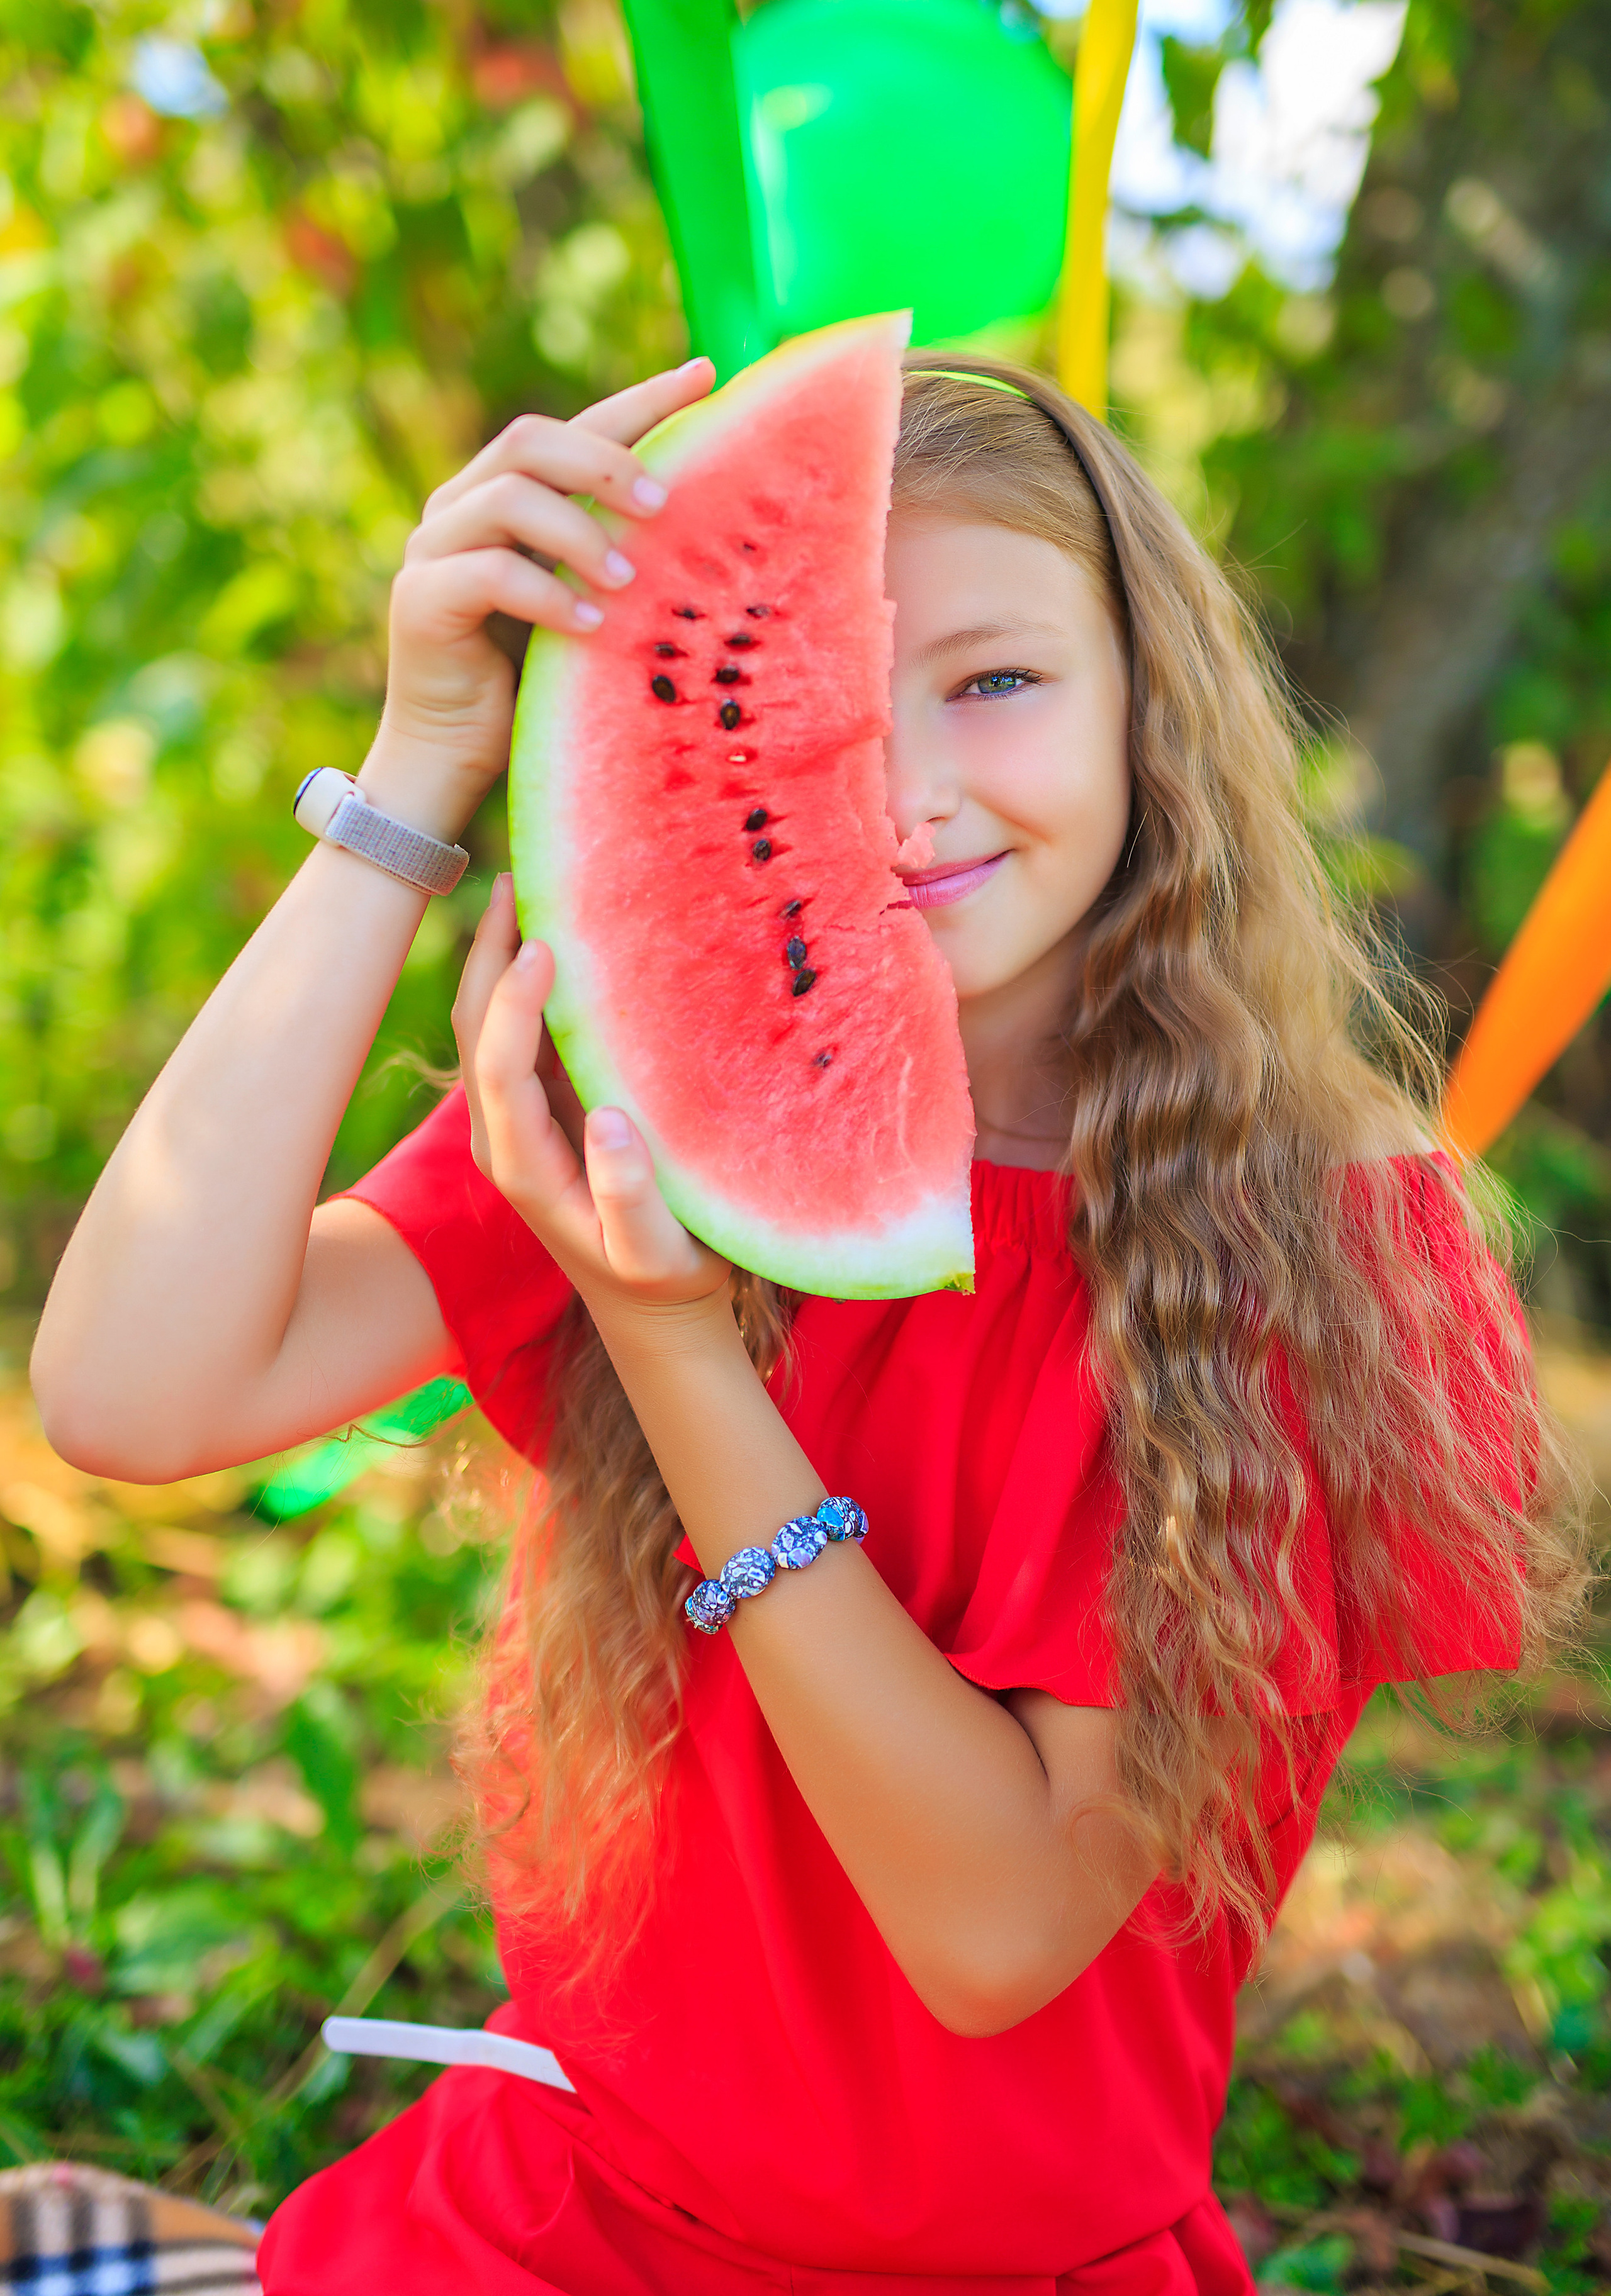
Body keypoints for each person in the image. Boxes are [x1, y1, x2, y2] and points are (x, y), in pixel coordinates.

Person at [31, 352, 1586, 2295]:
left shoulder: (1343, 1251)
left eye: (996, 681)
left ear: (1148, 708)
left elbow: (996, 1926)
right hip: (553, 2227)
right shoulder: (654, 1107)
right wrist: (421, 765)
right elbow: (127, 1390)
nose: (906, 790)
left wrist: (677, 1357)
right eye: (803, 711)